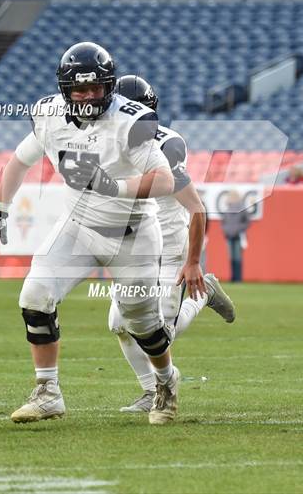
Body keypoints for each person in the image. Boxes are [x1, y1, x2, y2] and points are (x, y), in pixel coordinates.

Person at [0, 42, 184, 425]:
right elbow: (17, 162)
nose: (89, 97)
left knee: (141, 323)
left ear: (109, 87)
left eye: (96, 89)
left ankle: (165, 382)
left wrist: (114, 187)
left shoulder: (130, 120)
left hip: (134, 235)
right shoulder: (48, 116)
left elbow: (164, 179)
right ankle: (48, 392)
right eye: (81, 89)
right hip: (78, 226)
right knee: (35, 294)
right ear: (65, 89)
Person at [108, 75, 236, 413]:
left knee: (159, 331)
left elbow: (196, 207)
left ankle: (202, 293)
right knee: (118, 324)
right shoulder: (109, 142)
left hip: (168, 243)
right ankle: (152, 390)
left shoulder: (165, 145)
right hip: (137, 246)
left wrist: (192, 261)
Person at [221, 190, 250, 282]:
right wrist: (225, 230)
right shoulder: (228, 209)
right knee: (232, 257)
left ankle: (238, 277)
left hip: (238, 235)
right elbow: (224, 222)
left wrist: (238, 228)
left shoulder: (242, 209)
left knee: (237, 257)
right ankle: (233, 277)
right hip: (229, 236)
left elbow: (247, 222)